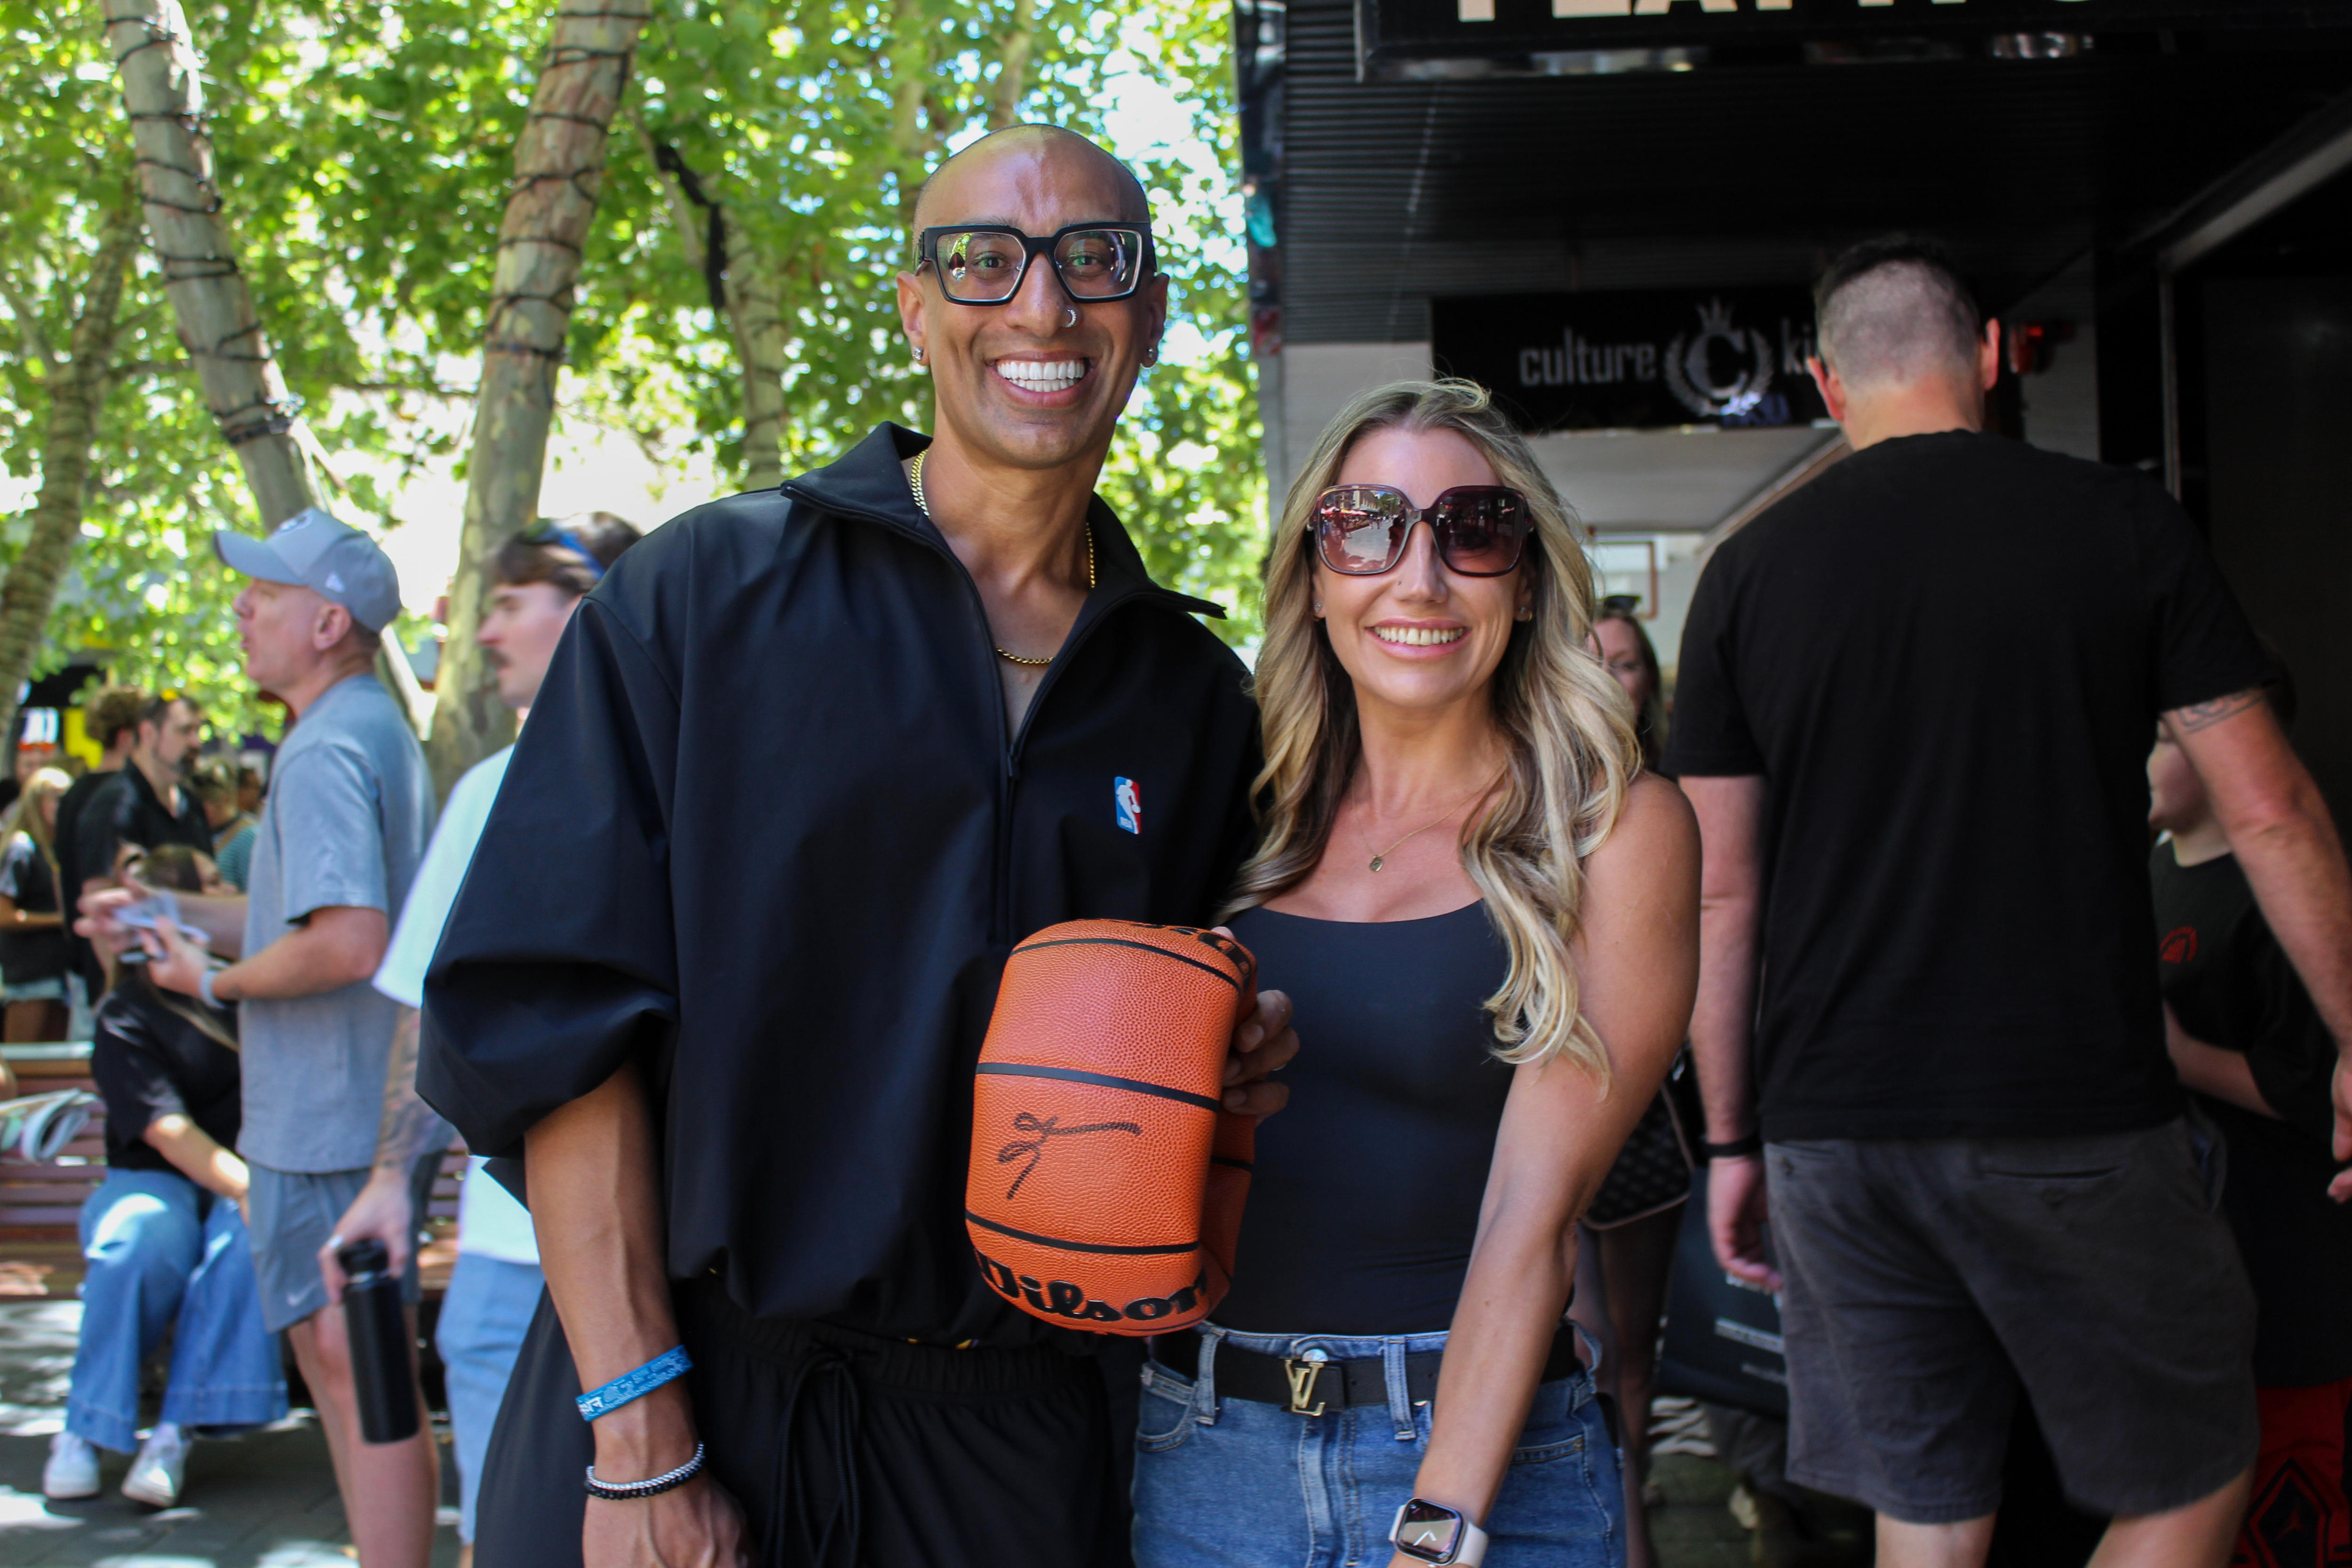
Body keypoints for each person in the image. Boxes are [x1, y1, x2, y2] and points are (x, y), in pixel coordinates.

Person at [418, 124, 1295, 1568]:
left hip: (1019, 1445)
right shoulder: (704, 593)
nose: (1038, 305)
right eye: (980, 259)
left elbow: (1203, 1073)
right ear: (913, 308)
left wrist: (1236, 1058)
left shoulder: (1194, 701)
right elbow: (553, 1021)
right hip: (692, 1387)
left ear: (1147, 314)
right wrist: (641, 1440)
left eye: (1094, 258)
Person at [1669, 233, 2352, 1565]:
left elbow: (1718, 890)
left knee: (1925, 1516)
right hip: (2075, 1108)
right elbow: (2270, 807)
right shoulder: (2123, 523)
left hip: (1835, 1128)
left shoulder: (1747, 572)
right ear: (1988, 353)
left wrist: (1735, 1139)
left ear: (1822, 381)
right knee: (2194, 1470)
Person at [1129, 380, 1697, 1568]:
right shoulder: (1230, 813)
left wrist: (1436, 1533)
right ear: (1315, 575)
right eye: (1367, 526)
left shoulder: (1612, 830)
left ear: (1529, 575)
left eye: (1472, 530)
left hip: (1486, 1469)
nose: (1420, 578)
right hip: (1203, 1450)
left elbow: (1528, 1224)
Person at [96, 507, 442, 1568]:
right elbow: (308, 911)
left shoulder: (327, 743)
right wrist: (166, 911)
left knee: (351, 1370)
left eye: (266, 592)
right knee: (355, 1370)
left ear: (330, 621)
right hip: (338, 1116)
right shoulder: (363, 727)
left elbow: (348, 938)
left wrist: (213, 977)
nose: (243, 606)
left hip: (330, 1123)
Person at [366, 511, 642, 1564]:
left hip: (571, 1264)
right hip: (541, 1254)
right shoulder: (492, 787)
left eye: (511, 601)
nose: (483, 630)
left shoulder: (535, 788)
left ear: (585, 609)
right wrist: (393, 1184)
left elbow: (425, 1012)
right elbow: (430, 1012)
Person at [2149, 671, 2352, 1563]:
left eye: (2153, 733)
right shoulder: (2151, 868)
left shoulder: (2290, 890)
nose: (2136, 756)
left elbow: (2321, 1093)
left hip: (2292, 1268)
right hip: (2192, 1258)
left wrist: (2183, 1056)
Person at [42, 843, 286, 1509]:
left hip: (242, 1178)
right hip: (156, 1177)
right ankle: (86, 1427)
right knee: (136, 1243)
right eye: (208, 884)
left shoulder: (248, 992)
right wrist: (245, 1188)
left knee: (244, 1247)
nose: (225, 892)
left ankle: (175, 1431)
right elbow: (164, 1129)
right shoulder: (127, 1012)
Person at [74, 692, 213, 907]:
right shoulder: (115, 803)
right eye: (184, 731)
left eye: (199, 731)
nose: (196, 743)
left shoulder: (190, 802)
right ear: (148, 733)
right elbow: (99, 899)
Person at [56, 684, 147, 1010]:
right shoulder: (115, 797)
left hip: (85, 960)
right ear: (127, 735)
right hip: (110, 965)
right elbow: (95, 887)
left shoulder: (74, 795)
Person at [0, 767, 75, 1042]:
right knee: (24, 1062)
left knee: (52, 1065)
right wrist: (58, 919)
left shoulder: (56, 850)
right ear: (36, 801)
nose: (63, 805)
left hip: (60, 973)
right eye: (57, 798)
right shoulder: (20, 847)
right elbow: (4, 916)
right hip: (30, 976)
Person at [191, 760, 258, 891]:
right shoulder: (202, 832)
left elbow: (257, 894)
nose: (198, 814)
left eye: (206, 805)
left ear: (224, 799)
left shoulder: (249, 837)